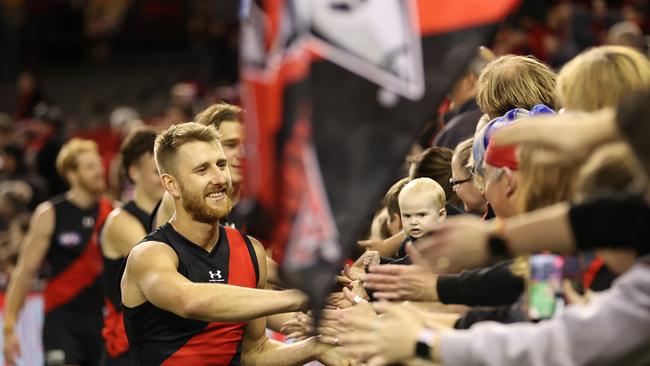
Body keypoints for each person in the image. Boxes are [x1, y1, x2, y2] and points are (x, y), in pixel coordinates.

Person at [120, 123, 346, 365]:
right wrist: (302, 297)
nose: (219, 178)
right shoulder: (149, 255)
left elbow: (255, 352)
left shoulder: (250, 251)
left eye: (221, 164)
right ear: (171, 185)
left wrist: (315, 347)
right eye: (201, 170)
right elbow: (191, 301)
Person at [3, 138, 113, 366]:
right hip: (62, 322)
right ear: (72, 175)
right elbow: (25, 272)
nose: (99, 171)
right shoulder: (50, 214)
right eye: (90, 167)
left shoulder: (114, 213)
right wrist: (10, 326)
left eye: (99, 165)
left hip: (104, 323)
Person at [99, 128, 162, 365]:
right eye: (157, 171)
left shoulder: (173, 217)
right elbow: (162, 272)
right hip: (127, 349)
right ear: (134, 172)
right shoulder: (120, 222)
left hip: (159, 344)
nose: (165, 177)